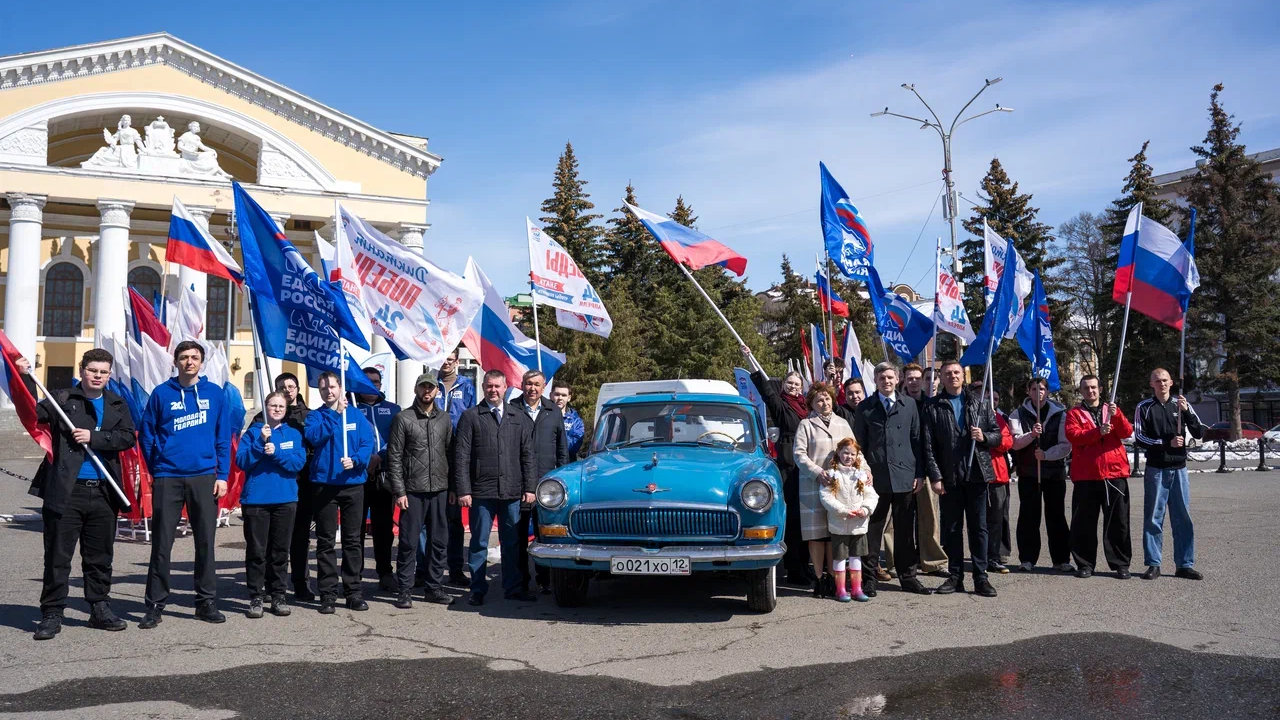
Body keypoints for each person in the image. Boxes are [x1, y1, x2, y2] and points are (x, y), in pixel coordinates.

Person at [29, 349, 135, 640]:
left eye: (103, 372)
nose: (98, 376)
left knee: (99, 556)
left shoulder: (116, 403)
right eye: (92, 370)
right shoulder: (61, 399)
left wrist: (95, 437)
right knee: (58, 556)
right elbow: (29, 411)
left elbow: (127, 437)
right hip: (66, 491)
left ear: (109, 375)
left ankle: (99, 608)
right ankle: (52, 613)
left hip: (103, 492)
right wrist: (25, 376)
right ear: (82, 370)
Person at [138, 341, 231, 628]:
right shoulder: (161, 394)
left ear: (201, 362)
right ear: (175, 362)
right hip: (168, 476)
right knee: (162, 544)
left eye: (194, 357)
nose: (189, 362)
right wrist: (159, 466)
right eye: (184, 357)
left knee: (205, 543)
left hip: (205, 476)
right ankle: (154, 605)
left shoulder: (215, 394)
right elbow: (147, 433)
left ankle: (206, 602)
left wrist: (223, 475)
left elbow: (223, 437)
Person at [453, 370, 536, 605]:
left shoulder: (517, 417)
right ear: (483, 386)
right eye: (489, 386)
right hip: (481, 492)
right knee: (479, 542)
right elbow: (461, 457)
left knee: (511, 543)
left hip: (511, 491)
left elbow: (527, 455)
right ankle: (477, 588)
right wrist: (463, 490)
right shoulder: (470, 417)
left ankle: (513, 587)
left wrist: (530, 487)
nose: (493, 390)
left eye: (498, 386)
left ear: (506, 387)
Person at [850, 362, 932, 596]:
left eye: (890, 377)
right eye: (881, 378)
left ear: (898, 379)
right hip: (875, 478)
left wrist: (919, 473)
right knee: (872, 531)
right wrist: (861, 473)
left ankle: (908, 577)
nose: (886, 381)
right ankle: (870, 578)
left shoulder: (910, 406)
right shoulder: (866, 407)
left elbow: (917, 441)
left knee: (905, 530)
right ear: (875, 381)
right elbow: (859, 445)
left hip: (905, 475)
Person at [921, 360, 1001, 597]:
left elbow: (997, 436)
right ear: (941, 378)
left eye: (956, 372)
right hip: (949, 477)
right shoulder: (933, 406)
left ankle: (981, 577)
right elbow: (928, 446)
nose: (952, 376)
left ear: (963, 377)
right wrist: (935, 476)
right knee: (952, 529)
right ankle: (955, 577)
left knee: (979, 528)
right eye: (947, 373)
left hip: (976, 474)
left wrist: (984, 436)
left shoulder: (980, 404)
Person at [304, 371, 375, 613]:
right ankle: (328, 593)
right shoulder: (316, 416)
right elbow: (314, 437)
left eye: (332, 387)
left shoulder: (355, 414)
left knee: (352, 541)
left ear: (340, 388)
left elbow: (368, 443)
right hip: (325, 485)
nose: (328, 391)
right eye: (323, 388)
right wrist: (334, 414)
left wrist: (356, 460)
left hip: (352, 484)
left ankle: (353, 592)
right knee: (325, 542)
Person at [235, 392, 307, 619]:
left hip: (285, 500)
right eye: (272, 405)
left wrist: (276, 453)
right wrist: (259, 444)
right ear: (265, 408)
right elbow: (241, 462)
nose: (276, 409)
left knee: (279, 552)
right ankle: (256, 596)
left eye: (280, 406)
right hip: (256, 500)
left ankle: (278, 595)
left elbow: (298, 463)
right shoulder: (254, 433)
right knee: (257, 552)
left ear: (286, 410)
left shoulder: (293, 434)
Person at [386, 372, 455, 608]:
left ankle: (433, 587)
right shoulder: (403, 418)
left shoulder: (444, 419)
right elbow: (394, 457)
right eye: (423, 387)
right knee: (408, 542)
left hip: (439, 489)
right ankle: (404, 590)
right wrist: (400, 491)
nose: (427, 391)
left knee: (438, 541)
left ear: (437, 391)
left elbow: (450, 454)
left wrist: (453, 487)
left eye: (431, 387)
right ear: (416, 390)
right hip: (412, 491)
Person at [748, 350, 813, 586]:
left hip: (808, 466)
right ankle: (794, 568)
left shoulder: (807, 407)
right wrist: (751, 361)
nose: (794, 387)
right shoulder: (782, 406)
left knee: (808, 519)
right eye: (790, 383)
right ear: (784, 386)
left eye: (797, 384)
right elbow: (766, 392)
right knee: (794, 520)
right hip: (790, 466)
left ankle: (805, 566)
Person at [1134, 368, 1205, 581]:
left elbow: (1199, 432)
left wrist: (1188, 412)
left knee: (1183, 518)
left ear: (1171, 382)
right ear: (1151, 384)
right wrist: (1166, 443)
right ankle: (1153, 564)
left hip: (1180, 469)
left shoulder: (1181, 404)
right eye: (1157, 381)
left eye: (1165, 380)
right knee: (1154, 518)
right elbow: (1139, 437)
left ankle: (1184, 564)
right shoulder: (1144, 407)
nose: (1162, 384)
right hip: (1156, 470)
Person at [252, 373, 316, 601]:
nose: (288, 390)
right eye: (282, 387)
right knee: (272, 540)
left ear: (297, 389)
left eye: (291, 386)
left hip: (302, 485)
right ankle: (271, 586)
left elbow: (312, 448)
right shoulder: (263, 418)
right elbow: (250, 448)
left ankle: (301, 583)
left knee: (300, 538)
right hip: (272, 486)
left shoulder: (309, 416)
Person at [1064, 374, 1134, 579]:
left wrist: (1117, 415)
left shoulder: (1111, 409)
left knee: (1118, 522)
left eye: (1094, 387)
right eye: (1086, 388)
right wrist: (1098, 432)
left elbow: (1126, 432)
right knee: (1084, 523)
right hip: (1086, 476)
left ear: (1101, 389)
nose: (1090, 391)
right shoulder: (1074, 413)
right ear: (1081, 391)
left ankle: (1120, 563)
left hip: (1114, 474)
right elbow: (1074, 437)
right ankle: (1085, 564)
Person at [793, 382, 854, 598]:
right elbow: (799, 455)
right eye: (819, 400)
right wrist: (817, 472)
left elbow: (855, 451)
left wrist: (865, 470)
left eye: (827, 398)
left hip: (839, 489)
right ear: (812, 404)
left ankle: (832, 577)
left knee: (834, 535)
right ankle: (818, 579)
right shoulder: (805, 425)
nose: (824, 402)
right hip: (813, 486)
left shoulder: (843, 423)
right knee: (817, 536)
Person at [1008, 377, 1073, 573]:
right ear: (1028, 391)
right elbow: (1015, 442)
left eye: (1042, 388)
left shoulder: (1060, 414)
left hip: (1054, 473)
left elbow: (1065, 445)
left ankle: (1061, 559)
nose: (1039, 392)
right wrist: (1032, 436)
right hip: (1029, 473)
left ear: (1047, 391)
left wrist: (1046, 455)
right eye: (1034, 389)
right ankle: (1027, 558)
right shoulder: (1018, 414)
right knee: (1029, 516)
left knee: (1056, 516)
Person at [513, 370, 568, 596]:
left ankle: (544, 580)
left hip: (547, 488)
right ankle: (520, 581)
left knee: (545, 536)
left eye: (536, 384)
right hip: (518, 484)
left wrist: (561, 479)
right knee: (516, 537)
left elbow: (562, 450)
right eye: (528, 384)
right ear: (522, 385)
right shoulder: (512, 410)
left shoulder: (553, 411)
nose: (532, 388)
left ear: (544, 386)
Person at [355, 366, 401, 592]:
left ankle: (385, 572)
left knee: (383, 529)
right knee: (355, 529)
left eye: (376, 382)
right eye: (367, 382)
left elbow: (397, 440)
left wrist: (379, 458)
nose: (372, 386)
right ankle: (355, 575)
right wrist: (365, 459)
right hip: (357, 475)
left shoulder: (393, 409)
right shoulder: (351, 408)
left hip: (383, 476)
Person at [900, 362, 947, 578]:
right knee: (897, 519)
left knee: (929, 516)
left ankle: (932, 561)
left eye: (918, 378)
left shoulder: (931, 404)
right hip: (901, 467)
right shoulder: (897, 403)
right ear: (904, 379)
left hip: (927, 466)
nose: (914, 381)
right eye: (909, 378)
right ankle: (895, 561)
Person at [817, 437, 878, 603]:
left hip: (858, 524)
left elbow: (871, 495)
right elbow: (826, 497)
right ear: (838, 453)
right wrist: (843, 510)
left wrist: (865, 509)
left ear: (857, 456)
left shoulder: (861, 476)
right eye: (845, 453)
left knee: (856, 556)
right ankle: (840, 589)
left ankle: (857, 588)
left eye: (853, 454)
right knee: (839, 557)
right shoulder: (831, 474)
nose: (849, 457)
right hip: (839, 524)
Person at [435, 349, 475, 587]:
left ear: (457, 362)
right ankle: (428, 569)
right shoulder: (430, 384)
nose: (447, 363)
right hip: (432, 456)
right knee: (429, 521)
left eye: (451, 359)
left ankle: (456, 568)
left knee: (453, 520)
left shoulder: (467, 386)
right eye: (444, 358)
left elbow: (471, 420)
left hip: (457, 456)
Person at [984, 401, 1015, 575]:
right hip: (974, 474)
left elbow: (1007, 442)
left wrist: (987, 438)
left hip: (997, 473)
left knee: (995, 519)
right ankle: (979, 556)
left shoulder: (997, 418)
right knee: (976, 520)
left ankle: (993, 557)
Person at [551, 382, 587, 459]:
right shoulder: (542, 416)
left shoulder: (576, 421)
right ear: (551, 395)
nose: (560, 398)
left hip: (567, 463)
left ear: (569, 398)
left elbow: (574, 446)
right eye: (557, 394)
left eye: (564, 395)